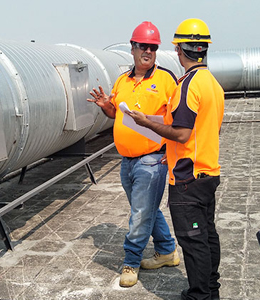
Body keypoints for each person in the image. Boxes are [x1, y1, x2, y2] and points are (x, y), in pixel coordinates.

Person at [127, 18, 224, 300]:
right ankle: (210, 289)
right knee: (207, 236)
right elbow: (208, 129)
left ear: (180, 50)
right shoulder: (213, 84)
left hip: (187, 179)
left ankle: (200, 295)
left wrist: (145, 123)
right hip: (208, 173)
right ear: (204, 49)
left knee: (193, 242)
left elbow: (181, 134)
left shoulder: (187, 86)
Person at [87, 21, 179, 288]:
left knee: (140, 214)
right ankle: (166, 250)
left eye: (152, 47)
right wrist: (107, 107)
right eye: (143, 46)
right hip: (126, 161)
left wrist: (171, 152)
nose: (148, 51)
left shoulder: (166, 80)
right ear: (133, 48)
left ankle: (131, 260)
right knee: (147, 210)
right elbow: (118, 115)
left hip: (152, 159)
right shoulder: (122, 80)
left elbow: (178, 121)